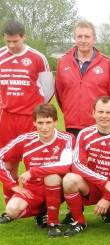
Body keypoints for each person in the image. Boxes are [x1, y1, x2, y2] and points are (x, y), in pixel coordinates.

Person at [61, 97, 110, 236]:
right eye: (100, 112)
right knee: (69, 179)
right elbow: (77, 165)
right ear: (93, 113)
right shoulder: (84, 134)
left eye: (108, 112)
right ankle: (79, 221)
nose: (104, 116)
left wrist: (108, 196)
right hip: (95, 186)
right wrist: (104, 182)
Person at [0, 104, 74, 237]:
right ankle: (41, 212)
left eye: (48, 122)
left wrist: (33, 171)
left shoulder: (67, 139)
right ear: (34, 122)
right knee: (11, 210)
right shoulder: (25, 140)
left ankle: (53, 223)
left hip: (59, 188)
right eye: (40, 123)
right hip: (33, 189)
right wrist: (12, 186)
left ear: (55, 122)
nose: (44, 127)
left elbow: (66, 166)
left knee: (52, 177)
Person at [0, 19, 55, 200]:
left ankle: (38, 205)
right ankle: (11, 201)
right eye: (8, 41)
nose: (11, 45)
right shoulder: (1, 56)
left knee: (35, 163)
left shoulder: (37, 58)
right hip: (7, 118)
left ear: (24, 37)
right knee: (8, 163)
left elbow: (47, 90)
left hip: (31, 119)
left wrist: (36, 113)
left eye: (15, 41)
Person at [55, 20, 110, 136]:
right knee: (75, 154)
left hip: (99, 125)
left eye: (87, 36)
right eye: (79, 36)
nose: (83, 40)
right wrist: (70, 111)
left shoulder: (107, 63)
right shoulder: (63, 62)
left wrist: (105, 115)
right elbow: (60, 94)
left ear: (94, 39)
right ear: (74, 38)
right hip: (72, 124)